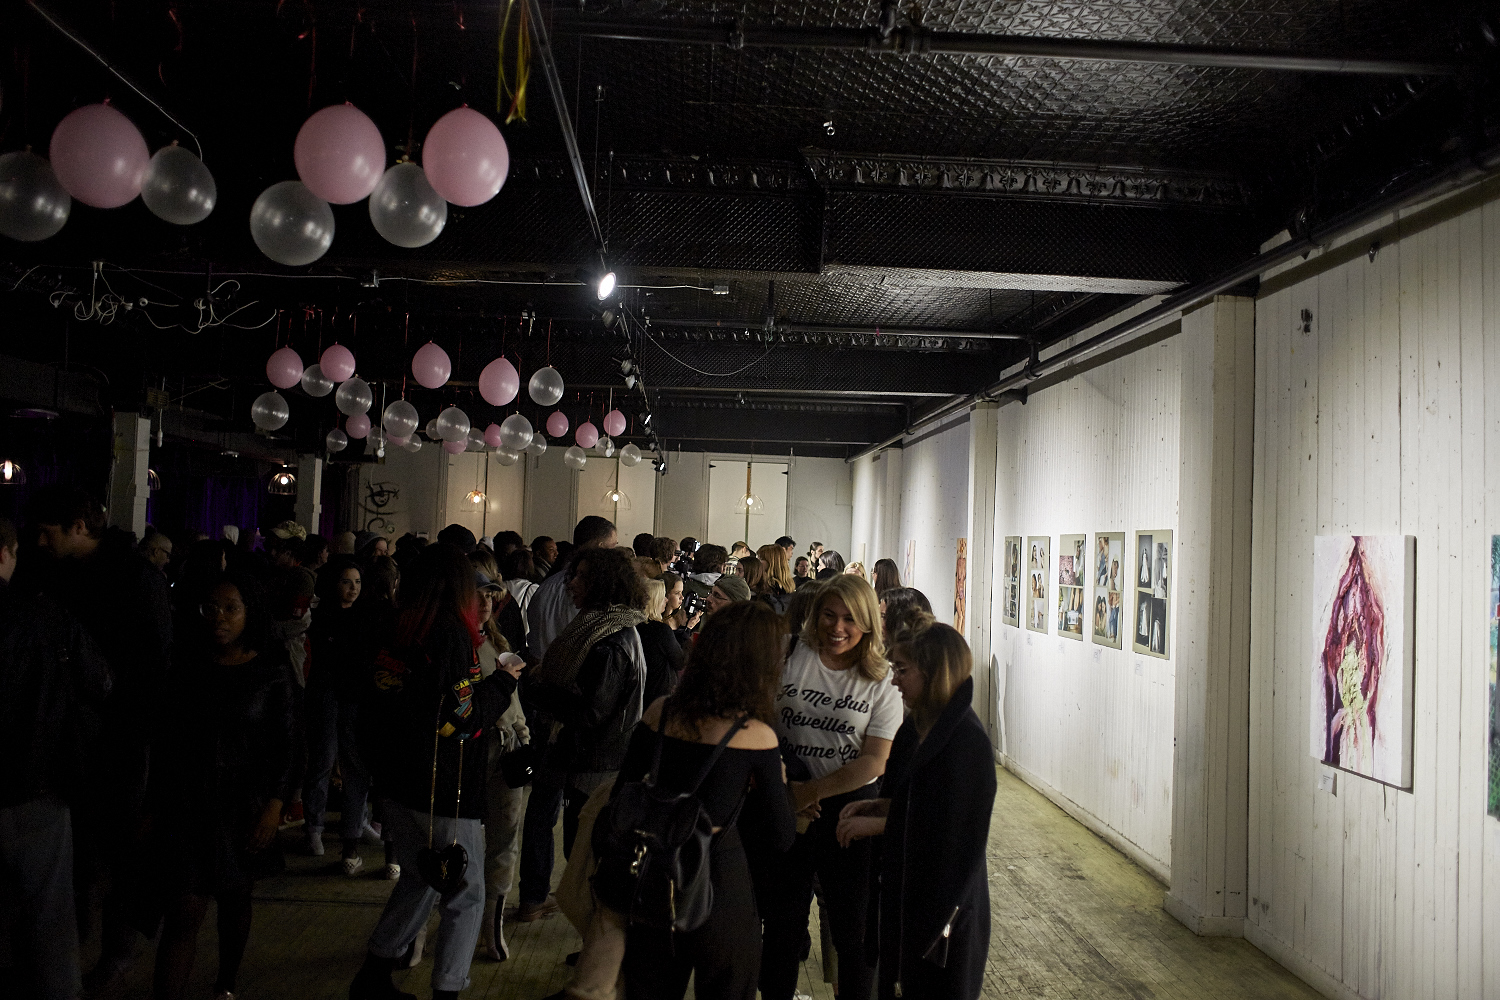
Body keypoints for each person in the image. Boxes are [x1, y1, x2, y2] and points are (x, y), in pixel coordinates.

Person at [350, 545, 522, 1000]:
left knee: (421, 878)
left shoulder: (393, 627)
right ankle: (447, 989)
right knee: (466, 892)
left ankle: (374, 974)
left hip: (397, 782)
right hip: (443, 785)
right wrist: (504, 682)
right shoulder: (449, 634)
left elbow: (371, 708)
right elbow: (460, 720)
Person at [26, 486, 173, 991]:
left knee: (116, 848)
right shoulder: (71, 573)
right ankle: (81, 947)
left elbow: (154, 669)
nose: (40, 542)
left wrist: (137, 733)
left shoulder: (133, 579)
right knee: (83, 849)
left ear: (78, 527)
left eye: (47, 532)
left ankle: (114, 949)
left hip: (118, 736)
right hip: (82, 733)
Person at [616, 602, 798, 999]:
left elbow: (622, 794)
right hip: (718, 879)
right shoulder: (755, 736)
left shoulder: (660, 712)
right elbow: (782, 836)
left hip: (652, 873)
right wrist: (779, 783)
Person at [144, 572, 299, 1000]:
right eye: (210, 608)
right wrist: (151, 806)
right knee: (184, 908)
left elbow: (288, 745)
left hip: (242, 804)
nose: (219, 618)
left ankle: (226, 983)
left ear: (249, 612)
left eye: (231, 608)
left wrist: (274, 805)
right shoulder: (185, 666)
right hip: (188, 802)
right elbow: (165, 743)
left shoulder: (270, 669)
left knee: (234, 898)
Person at [758, 574, 901, 1000]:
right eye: (829, 615)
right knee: (782, 925)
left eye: (850, 619)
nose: (837, 628)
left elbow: (874, 760)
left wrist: (811, 793)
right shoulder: (788, 652)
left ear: (868, 623)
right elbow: (759, 718)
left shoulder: (881, 678)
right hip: (785, 797)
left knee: (852, 931)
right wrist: (785, 788)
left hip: (848, 812)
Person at [836, 622, 995, 1000]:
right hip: (914, 904)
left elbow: (952, 836)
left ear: (933, 672)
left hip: (943, 915)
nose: (894, 680)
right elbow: (925, 803)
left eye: (903, 670)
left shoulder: (966, 742)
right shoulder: (924, 726)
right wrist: (881, 806)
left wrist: (879, 825)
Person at [0, 517, 112, 1000]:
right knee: (50, 917)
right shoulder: (45, 618)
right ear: (7, 553)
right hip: (36, 784)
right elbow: (101, 682)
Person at [517, 547, 646, 924]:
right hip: (580, 754)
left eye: (582, 577)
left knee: (584, 851)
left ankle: (596, 932)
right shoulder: (599, 629)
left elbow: (590, 712)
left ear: (604, 584)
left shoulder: (611, 639)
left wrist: (537, 687)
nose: (571, 583)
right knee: (572, 842)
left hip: (594, 762)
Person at [302, 556, 376, 871]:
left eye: (357, 582)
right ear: (335, 584)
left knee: (354, 764)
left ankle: (354, 826)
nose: (353, 588)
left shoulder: (365, 616)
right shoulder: (321, 617)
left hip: (354, 696)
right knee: (323, 758)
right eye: (347, 582)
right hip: (327, 694)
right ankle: (314, 827)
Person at [475, 567, 529, 962]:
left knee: (505, 837)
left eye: (491, 595)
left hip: (506, 748)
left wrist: (522, 735)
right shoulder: (454, 643)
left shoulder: (497, 641)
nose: (486, 602)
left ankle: (491, 924)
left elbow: (513, 702)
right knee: (456, 838)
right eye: (478, 595)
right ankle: (426, 927)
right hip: (469, 751)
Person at [525, 516, 618, 662]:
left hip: (541, 669)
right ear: (601, 548)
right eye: (613, 547)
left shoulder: (545, 587)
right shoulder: (597, 591)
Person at [637, 578, 685, 703]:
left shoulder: (635, 626)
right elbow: (680, 661)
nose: (666, 600)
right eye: (663, 596)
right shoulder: (660, 630)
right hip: (657, 697)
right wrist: (686, 633)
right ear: (655, 600)